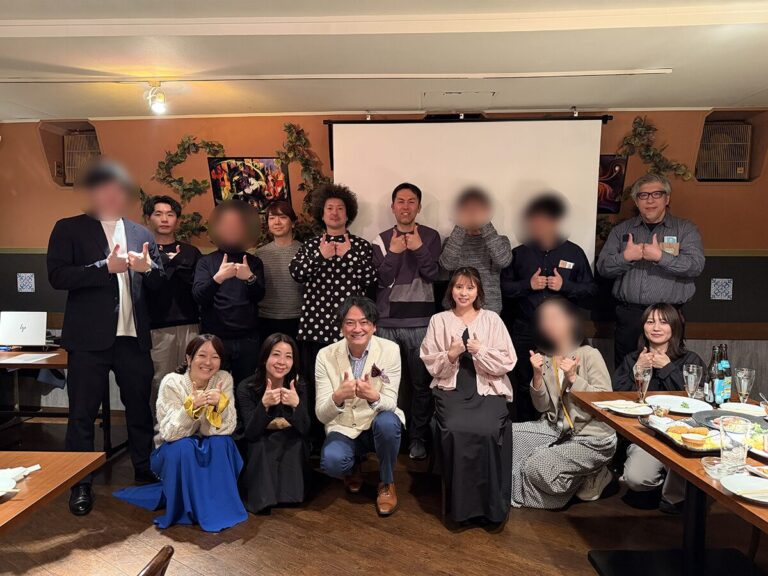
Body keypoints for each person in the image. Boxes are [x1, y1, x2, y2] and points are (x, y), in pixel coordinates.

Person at [47, 159, 164, 516]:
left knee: (139, 409)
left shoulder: (142, 233)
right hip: (88, 340)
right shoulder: (68, 228)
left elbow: (159, 283)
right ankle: (79, 482)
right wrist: (104, 268)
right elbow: (57, 276)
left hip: (133, 338)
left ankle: (145, 470)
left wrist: (149, 269)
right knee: (81, 415)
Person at [114, 334, 247, 531]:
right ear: (189, 358)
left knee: (222, 443)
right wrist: (190, 410)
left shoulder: (223, 379)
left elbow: (227, 428)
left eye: (215, 357)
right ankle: (188, 508)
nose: (208, 362)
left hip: (207, 441)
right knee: (184, 447)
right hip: (174, 445)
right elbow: (169, 434)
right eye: (202, 355)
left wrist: (217, 407)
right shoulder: (172, 382)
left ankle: (218, 506)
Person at [420, 267, 516, 525]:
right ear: (451, 290)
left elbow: (508, 360)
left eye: (470, 288)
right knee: (454, 428)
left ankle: (492, 507)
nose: (464, 293)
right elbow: (431, 363)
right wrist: (451, 354)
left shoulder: (492, 319)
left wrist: (480, 350)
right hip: (452, 388)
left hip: (487, 387)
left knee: (489, 430)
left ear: (478, 291)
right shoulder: (439, 320)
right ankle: (460, 506)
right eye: (459, 287)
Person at [510, 296, 617, 509]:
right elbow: (542, 407)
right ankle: (578, 475)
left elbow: (605, 402)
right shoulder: (545, 358)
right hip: (557, 430)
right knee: (510, 436)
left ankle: (594, 474)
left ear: (570, 321)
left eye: (555, 317)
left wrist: (574, 379)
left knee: (536, 466)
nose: (548, 323)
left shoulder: (589, 355)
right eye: (544, 319)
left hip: (593, 437)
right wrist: (537, 375)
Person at [289, 184, 376, 440]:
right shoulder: (311, 245)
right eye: (330, 208)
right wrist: (321, 256)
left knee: (350, 383)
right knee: (316, 384)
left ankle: (351, 436)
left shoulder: (360, 245)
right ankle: (316, 439)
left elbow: (371, 279)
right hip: (315, 328)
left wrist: (349, 256)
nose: (335, 213)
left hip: (351, 330)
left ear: (348, 214)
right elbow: (297, 273)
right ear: (322, 213)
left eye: (340, 208)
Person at [501, 193, 597, 422]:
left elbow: (591, 291)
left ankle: (562, 428)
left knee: (563, 381)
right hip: (526, 330)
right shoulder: (519, 253)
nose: (539, 224)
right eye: (534, 220)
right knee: (526, 384)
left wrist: (566, 286)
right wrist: (528, 285)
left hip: (564, 333)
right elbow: (503, 288)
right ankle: (526, 430)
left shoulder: (573, 252)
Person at [596, 173, 705, 367]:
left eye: (656, 194)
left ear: (667, 199)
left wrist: (660, 257)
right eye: (643, 195)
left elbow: (695, 266)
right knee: (628, 371)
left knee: (668, 370)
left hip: (668, 316)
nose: (650, 200)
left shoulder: (685, 229)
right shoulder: (621, 231)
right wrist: (626, 257)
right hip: (630, 317)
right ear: (636, 201)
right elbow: (603, 268)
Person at [316, 296, 404, 516]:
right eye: (350, 323)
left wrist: (374, 397)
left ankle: (386, 481)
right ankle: (353, 466)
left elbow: (391, 402)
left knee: (388, 423)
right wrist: (338, 397)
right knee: (333, 462)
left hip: (376, 421)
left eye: (364, 322)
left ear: (374, 326)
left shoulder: (390, 350)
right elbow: (321, 415)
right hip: (344, 425)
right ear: (341, 327)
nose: (357, 329)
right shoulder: (325, 355)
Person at [372, 182, 441, 460]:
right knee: (387, 384)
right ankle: (393, 436)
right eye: (400, 201)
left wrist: (419, 248)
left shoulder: (431, 236)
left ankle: (418, 438)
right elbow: (381, 280)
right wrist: (394, 253)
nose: (405, 206)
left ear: (419, 207)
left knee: (421, 384)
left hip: (421, 322)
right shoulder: (380, 239)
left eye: (411, 201)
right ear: (392, 207)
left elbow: (433, 274)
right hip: (387, 323)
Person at [613, 303, 704, 513]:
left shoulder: (690, 360)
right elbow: (618, 396)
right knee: (636, 479)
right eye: (650, 321)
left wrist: (667, 368)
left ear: (674, 327)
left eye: (663, 322)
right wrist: (638, 370)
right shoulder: (633, 359)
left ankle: (674, 494)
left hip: (684, 434)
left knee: (690, 472)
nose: (656, 327)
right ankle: (660, 483)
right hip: (646, 433)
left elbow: (697, 398)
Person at [192, 200, 265, 386]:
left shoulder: (254, 262)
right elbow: (199, 297)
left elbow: (259, 296)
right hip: (215, 339)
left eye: (237, 224)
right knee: (213, 388)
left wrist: (249, 278)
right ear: (217, 228)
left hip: (248, 339)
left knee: (246, 388)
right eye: (226, 224)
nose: (231, 229)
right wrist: (218, 278)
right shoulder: (205, 262)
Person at [237, 333, 310, 514]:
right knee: (259, 444)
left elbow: (305, 428)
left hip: (290, 437)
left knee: (295, 441)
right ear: (264, 358)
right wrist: (264, 406)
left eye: (288, 356)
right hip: (258, 439)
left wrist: (296, 404)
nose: (282, 362)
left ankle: (290, 496)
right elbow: (251, 432)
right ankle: (262, 498)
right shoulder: (246, 387)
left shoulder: (299, 385)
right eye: (276, 354)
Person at [143, 195, 202, 411]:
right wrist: (166, 263)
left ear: (177, 219)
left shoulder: (191, 252)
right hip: (157, 328)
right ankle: (160, 428)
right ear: (148, 218)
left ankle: (188, 427)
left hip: (190, 325)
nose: (164, 219)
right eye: (158, 214)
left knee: (192, 380)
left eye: (170, 214)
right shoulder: (144, 251)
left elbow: (198, 288)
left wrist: (178, 265)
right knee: (160, 381)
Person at [439, 188, 512, 314]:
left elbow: (503, 261)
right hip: (455, 309)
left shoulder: (501, 240)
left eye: (478, 209)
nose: (473, 213)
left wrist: (485, 223)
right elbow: (447, 265)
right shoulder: (452, 240)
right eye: (467, 208)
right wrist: (461, 224)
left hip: (489, 310)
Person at [256, 201, 303, 341]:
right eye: (272, 218)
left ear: (293, 223)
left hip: (298, 318)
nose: (277, 222)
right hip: (266, 319)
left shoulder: (305, 251)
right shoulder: (260, 254)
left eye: (283, 217)